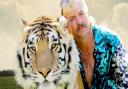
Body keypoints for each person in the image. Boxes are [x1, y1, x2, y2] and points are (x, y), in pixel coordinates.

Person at [60, 0, 128, 88]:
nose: (79, 21)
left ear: (88, 14)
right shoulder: (66, 52)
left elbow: (125, 83)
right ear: (67, 26)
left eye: (81, 14)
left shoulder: (112, 41)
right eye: (72, 19)